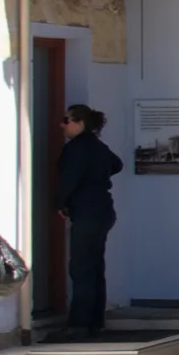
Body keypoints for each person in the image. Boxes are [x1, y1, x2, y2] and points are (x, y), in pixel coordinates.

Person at [54, 104, 122, 341]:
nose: (62, 125)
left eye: (67, 120)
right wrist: (97, 177)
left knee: (81, 267)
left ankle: (79, 324)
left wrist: (60, 203)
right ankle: (95, 321)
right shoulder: (98, 146)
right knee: (94, 265)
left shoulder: (77, 148)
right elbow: (117, 164)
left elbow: (68, 179)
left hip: (87, 211)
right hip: (103, 209)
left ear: (80, 123)